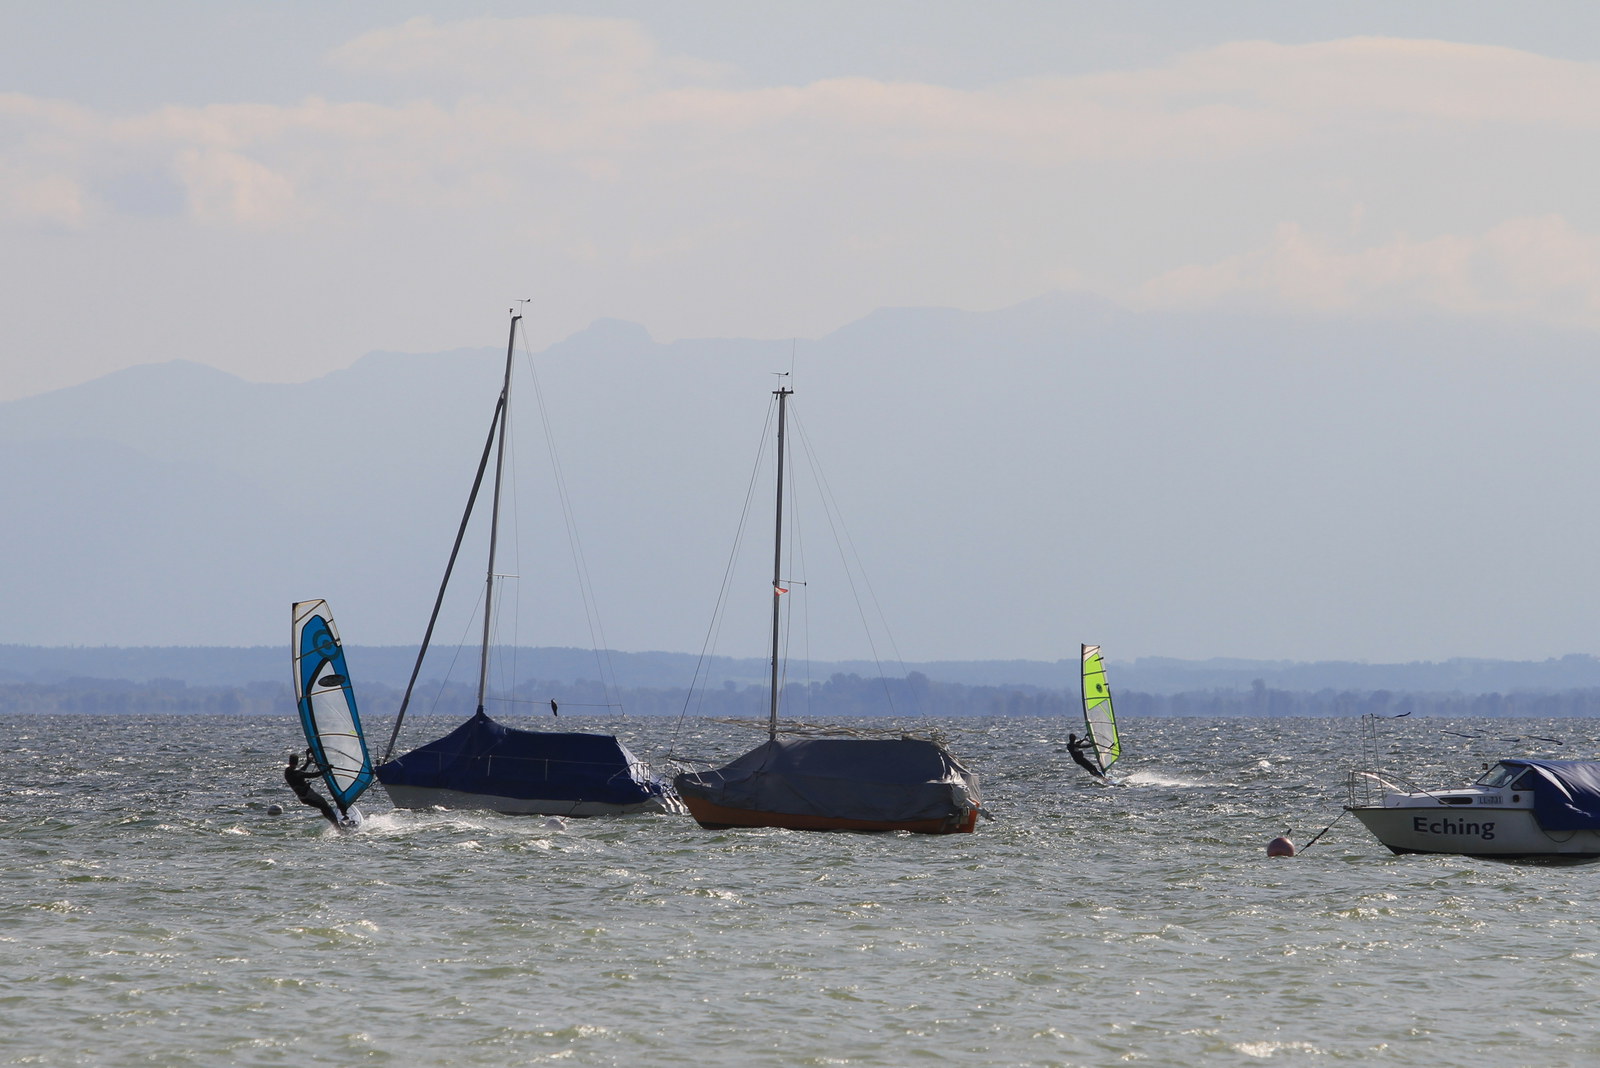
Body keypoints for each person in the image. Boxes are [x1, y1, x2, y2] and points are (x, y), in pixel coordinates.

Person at [283, 751, 341, 826]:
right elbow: (313, 775)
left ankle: (336, 826)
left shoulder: (287, 771)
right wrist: (327, 769)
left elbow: (300, 772)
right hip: (309, 796)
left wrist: (308, 763)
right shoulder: (297, 773)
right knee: (326, 806)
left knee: (323, 807)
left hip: (303, 798)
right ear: (297, 762)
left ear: (289, 762)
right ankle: (337, 826)